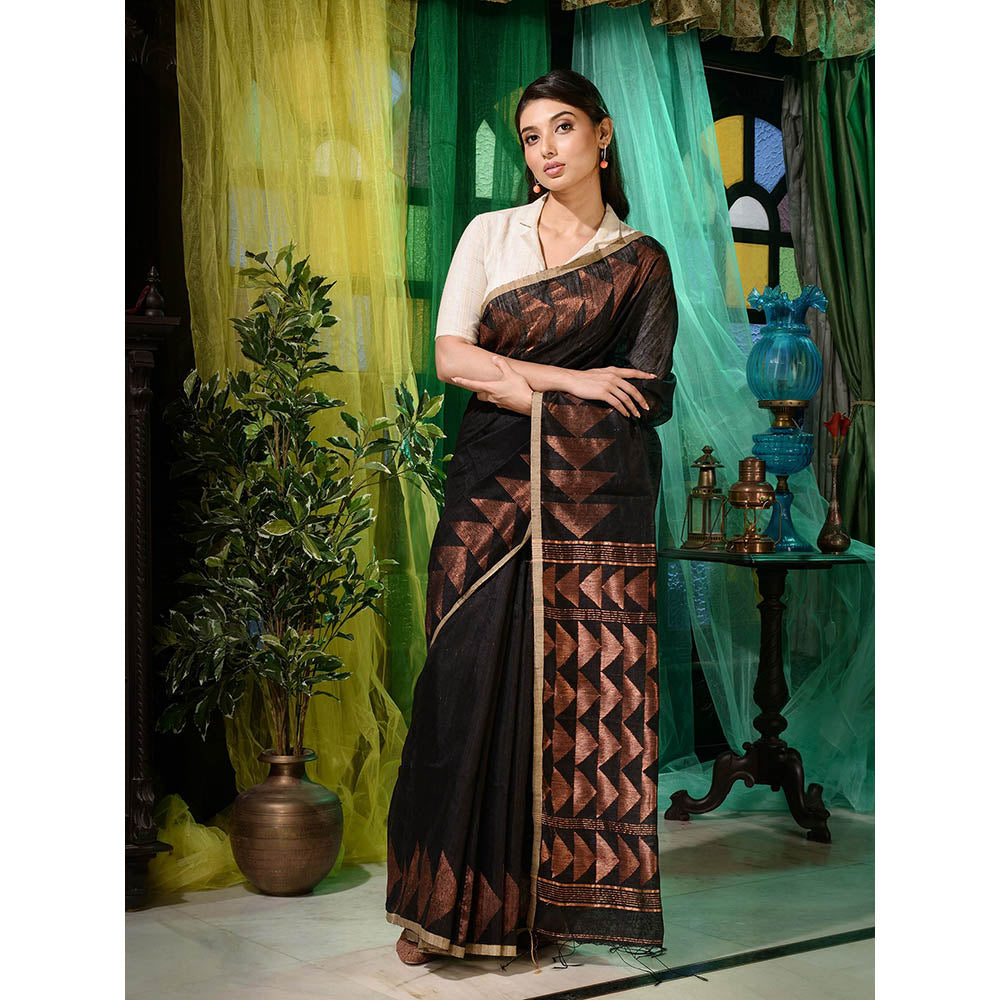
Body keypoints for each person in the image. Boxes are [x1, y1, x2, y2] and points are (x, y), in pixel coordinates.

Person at [386, 69, 678, 970]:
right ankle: (433, 908)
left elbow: (646, 394)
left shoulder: (640, 262)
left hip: (584, 503)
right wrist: (569, 382)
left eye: (562, 129)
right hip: (487, 487)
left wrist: (520, 385)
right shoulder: (491, 234)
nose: (545, 150)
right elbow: (452, 357)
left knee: (560, 696)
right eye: (530, 137)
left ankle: (533, 909)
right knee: (461, 679)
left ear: (603, 134)